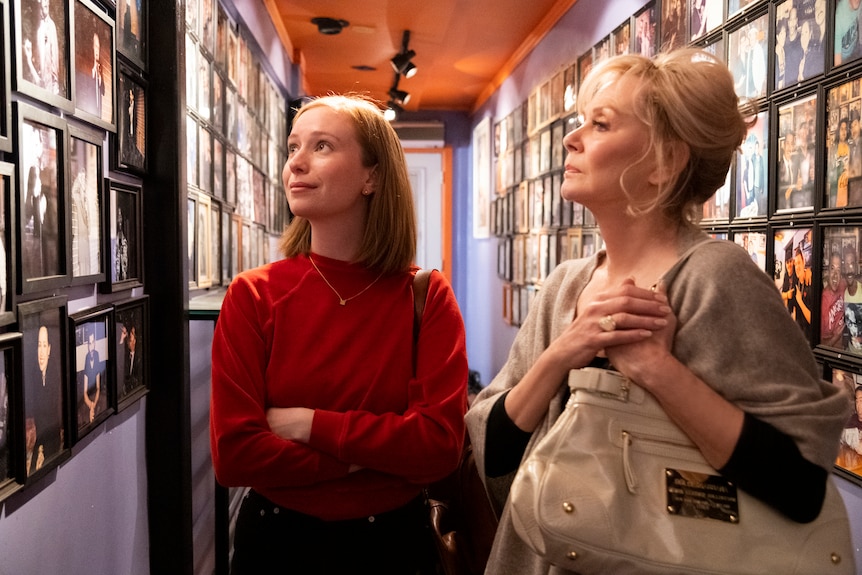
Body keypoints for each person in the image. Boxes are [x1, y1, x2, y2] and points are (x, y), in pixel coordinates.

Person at [465, 48, 849, 574]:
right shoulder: (564, 285)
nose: (570, 139)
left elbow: (799, 484)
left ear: (665, 162)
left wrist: (656, 370)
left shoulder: (716, 278)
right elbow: (492, 454)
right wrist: (561, 353)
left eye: (600, 124)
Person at [210, 94, 469, 574]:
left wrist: (310, 424)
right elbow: (235, 455)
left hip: (393, 546)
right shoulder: (254, 295)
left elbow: (438, 446)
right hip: (277, 542)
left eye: (322, 146)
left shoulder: (426, 296)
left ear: (372, 176)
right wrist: (365, 458)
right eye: (293, 148)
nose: (297, 164)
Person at [25, 325, 62, 476]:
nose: (41, 351)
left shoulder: (54, 373)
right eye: (39, 345)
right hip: (36, 439)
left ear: (49, 350)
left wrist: (42, 449)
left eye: (44, 345)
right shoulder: (32, 374)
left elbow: (53, 416)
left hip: (50, 438)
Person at [23, 0, 60, 94]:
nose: (42, 10)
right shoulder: (37, 25)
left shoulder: (51, 26)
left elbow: (54, 54)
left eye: (45, 7)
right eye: (41, 7)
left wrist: (55, 80)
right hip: (38, 73)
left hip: (47, 75)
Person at [822, 251, 847, 348]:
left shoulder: (843, 285)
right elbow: (820, 348)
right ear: (827, 271)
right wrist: (836, 337)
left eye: (838, 270)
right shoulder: (823, 301)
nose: (835, 275)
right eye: (832, 269)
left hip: (847, 349)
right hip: (832, 356)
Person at [78, 326, 103, 425]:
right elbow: (84, 392)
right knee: (86, 415)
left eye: (92, 343)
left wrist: (94, 404)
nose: (90, 346)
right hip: (87, 397)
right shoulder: (86, 358)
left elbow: (98, 387)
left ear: (95, 344)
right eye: (89, 343)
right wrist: (90, 404)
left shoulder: (97, 356)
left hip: (95, 397)